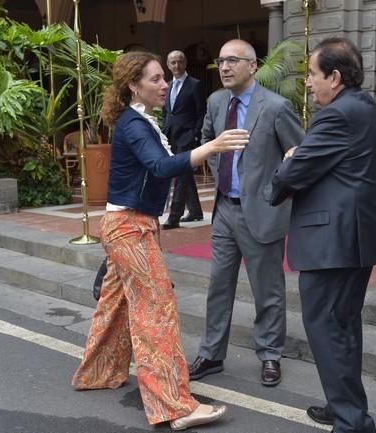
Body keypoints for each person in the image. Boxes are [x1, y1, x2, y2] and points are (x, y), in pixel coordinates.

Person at [72, 51, 249, 431]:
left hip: (130, 224)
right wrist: (213, 147)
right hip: (129, 228)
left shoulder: (139, 120)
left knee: (116, 304)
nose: (164, 83)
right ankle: (174, 407)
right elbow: (161, 166)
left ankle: (97, 372)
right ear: (134, 85)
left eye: (163, 78)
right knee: (156, 310)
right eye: (155, 79)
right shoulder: (135, 124)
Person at [270, 37, 376, 433]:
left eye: (313, 74)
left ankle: (352, 422)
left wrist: (288, 160)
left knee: (327, 329)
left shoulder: (336, 115)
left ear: (335, 77)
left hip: (332, 243)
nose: (307, 83)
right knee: (343, 328)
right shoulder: (366, 108)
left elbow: (293, 174)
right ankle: (346, 407)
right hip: (353, 239)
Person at [187, 39, 304, 387]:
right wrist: (222, 171)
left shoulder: (276, 107)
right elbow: (209, 141)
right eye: (221, 61)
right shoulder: (215, 101)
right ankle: (211, 354)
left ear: (252, 66)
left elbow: (298, 152)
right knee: (218, 286)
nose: (224, 67)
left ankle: (270, 354)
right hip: (225, 208)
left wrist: (275, 188)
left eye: (232, 61)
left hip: (262, 211)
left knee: (267, 290)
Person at [161, 50, 207, 229]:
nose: (176, 66)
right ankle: (195, 211)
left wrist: (196, 133)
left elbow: (201, 111)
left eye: (180, 62)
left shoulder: (195, 85)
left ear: (185, 63)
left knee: (180, 176)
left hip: (187, 137)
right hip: (171, 136)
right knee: (185, 173)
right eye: (173, 62)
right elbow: (167, 111)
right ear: (168, 65)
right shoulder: (168, 85)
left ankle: (174, 216)